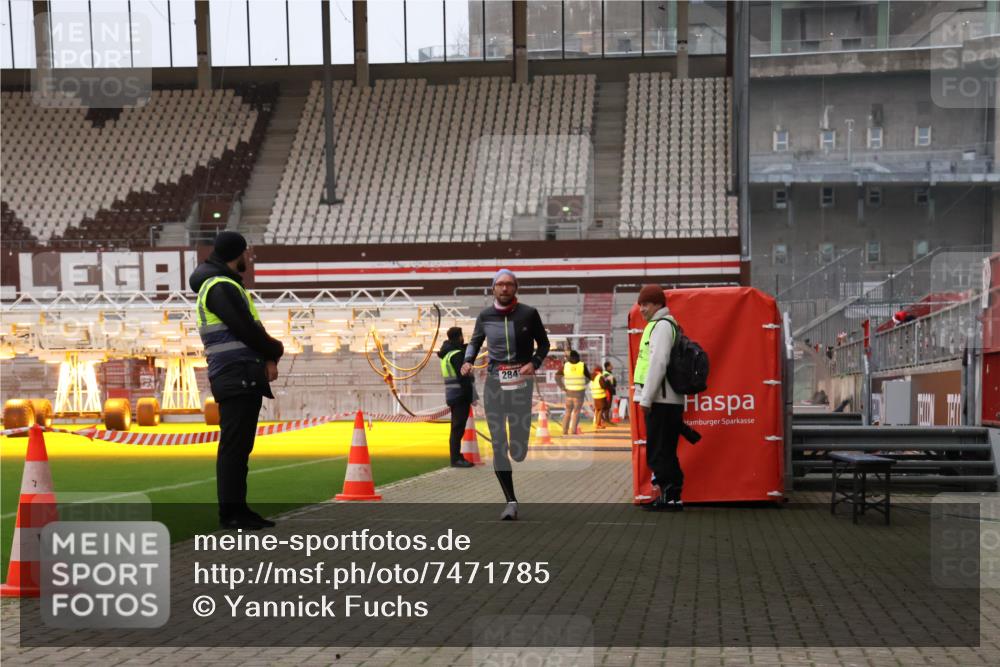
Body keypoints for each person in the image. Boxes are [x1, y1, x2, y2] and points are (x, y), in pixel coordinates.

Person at [189, 231, 284, 530]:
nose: (249, 257)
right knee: (234, 447)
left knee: (239, 447)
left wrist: (268, 355)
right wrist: (275, 349)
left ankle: (237, 511)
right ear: (237, 254)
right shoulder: (221, 287)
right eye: (246, 252)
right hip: (236, 374)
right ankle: (232, 514)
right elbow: (246, 330)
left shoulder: (221, 285)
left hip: (238, 374)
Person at [461, 268, 550, 520]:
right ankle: (510, 500)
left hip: (521, 384)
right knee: (498, 444)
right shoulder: (485, 316)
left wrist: (535, 362)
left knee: (517, 450)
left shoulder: (529, 314)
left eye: (509, 284)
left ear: (515, 288)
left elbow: (544, 343)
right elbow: (475, 342)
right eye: (500, 284)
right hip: (494, 384)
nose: (504, 288)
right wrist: (468, 361)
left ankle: (519, 445)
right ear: (493, 288)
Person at [634, 284, 685, 512]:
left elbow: (658, 362)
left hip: (661, 400)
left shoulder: (661, 326)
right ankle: (671, 497)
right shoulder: (662, 325)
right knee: (665, 450)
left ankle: (668, 496)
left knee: (659, 450)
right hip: (664, 399)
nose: (641, 308)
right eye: (640, 303)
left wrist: (646, 398)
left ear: (657, 304)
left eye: (645, 303)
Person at [438, 326, 475, 468]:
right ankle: (456, 459)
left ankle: (457, 456)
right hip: (460, 395)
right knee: (458, 428)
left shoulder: (447, 354)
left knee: (456, 428)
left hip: (452, 394)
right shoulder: (457, 355)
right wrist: (471, 396)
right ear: (460, 337)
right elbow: (463, 377)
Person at [555, 349, 589, 436]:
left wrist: (562, 387)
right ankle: (573, 431)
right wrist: (583, 382)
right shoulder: (582, 365)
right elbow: (588, 377)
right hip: (579, 393)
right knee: (576, 412)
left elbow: (557, 377)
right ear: (578, 357)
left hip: (569, 393)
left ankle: (564, 432)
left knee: (567, 412)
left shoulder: (565, 366)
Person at [590, 365, 609, 430]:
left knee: (597, 409)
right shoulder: (599, 377)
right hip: (600, 395)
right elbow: (604, 385)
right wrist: (606, 383)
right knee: (601, 410)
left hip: (595, 395)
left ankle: (596, 423)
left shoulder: (592, 377)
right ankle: (598, 424)